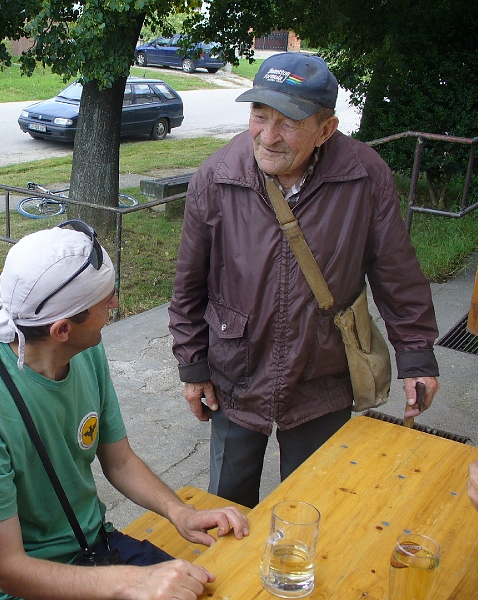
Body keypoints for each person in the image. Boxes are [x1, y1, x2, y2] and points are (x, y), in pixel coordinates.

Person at [168, 52, 441, 509]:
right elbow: (188, 285)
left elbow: (397, 272)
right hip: (236, 372)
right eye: (260, 116)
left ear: (326, 129)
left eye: (289, 122)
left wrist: (417, 357)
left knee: (312, 508)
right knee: (226, 510)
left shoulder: (364, 175)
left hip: (322, 371)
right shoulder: (216, 177)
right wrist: (193, 368)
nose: (268, 136)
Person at [0, 221, 249, 600]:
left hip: (95, 550)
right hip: (24, 588)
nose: (114, 304)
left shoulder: (86, 351)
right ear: (62, 330)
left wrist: (179, 513)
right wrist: (133, 583)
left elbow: (119, 460)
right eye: (105, 300)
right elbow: (9, 570)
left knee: (221, 589)